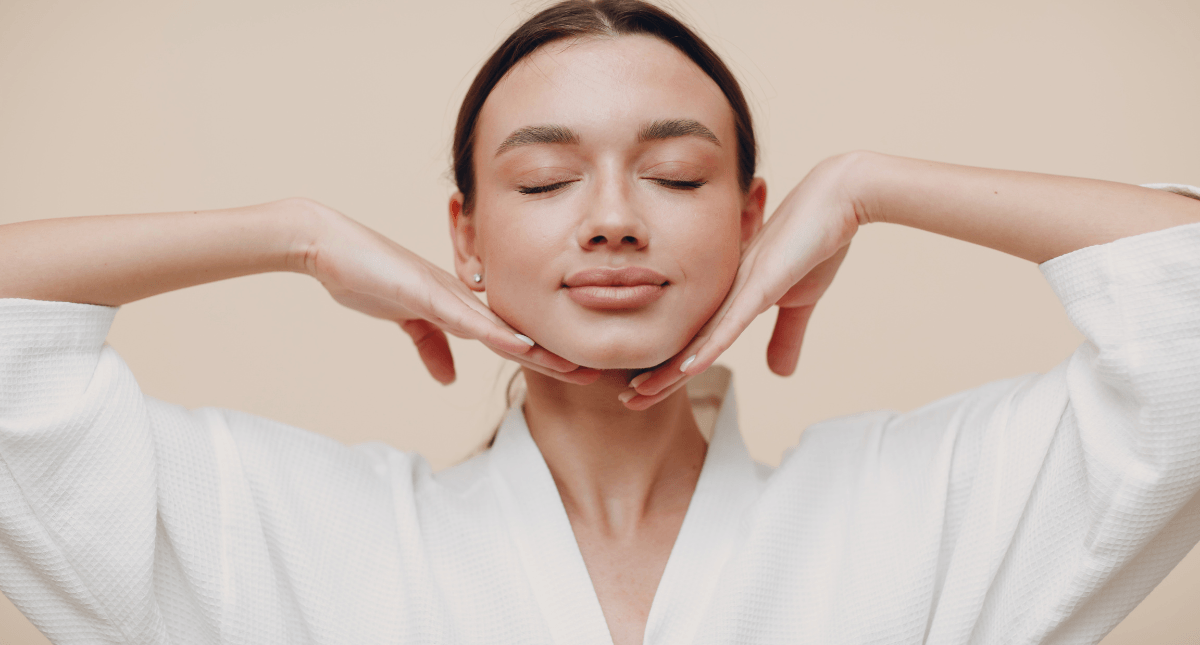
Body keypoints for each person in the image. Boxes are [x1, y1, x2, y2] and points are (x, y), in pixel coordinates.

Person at [1, 0, 1198, 643]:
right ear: (464, 236)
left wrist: (877, 183)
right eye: (543, 182)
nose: (616, 218)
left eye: (677, 177)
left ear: (756, 221)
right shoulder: (291, 532)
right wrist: (291, 232)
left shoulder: (913, 509)